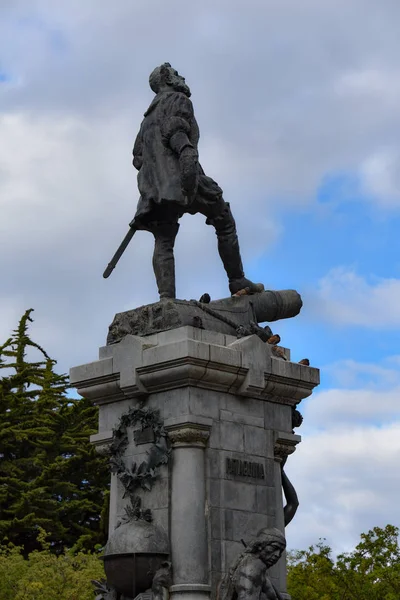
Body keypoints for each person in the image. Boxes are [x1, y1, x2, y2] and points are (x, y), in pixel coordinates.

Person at [131, 62, 264, 300]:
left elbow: (138, 158)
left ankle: (166, 298)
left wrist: (152, 190)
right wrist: (190, 182)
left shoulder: (146, 120)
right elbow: (178, 136)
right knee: (223, 218)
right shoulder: (178, 101)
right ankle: (237, 280)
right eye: (175, 73)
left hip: (154, 190)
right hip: (183, 177)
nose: (181, 76)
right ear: (167, 80)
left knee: (163, 238)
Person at [218, 528, 286, 600]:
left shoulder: (260, 568)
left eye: (280, 551)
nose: (277, 555)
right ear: (260, 545)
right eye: (274, 547)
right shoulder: (254, 567)